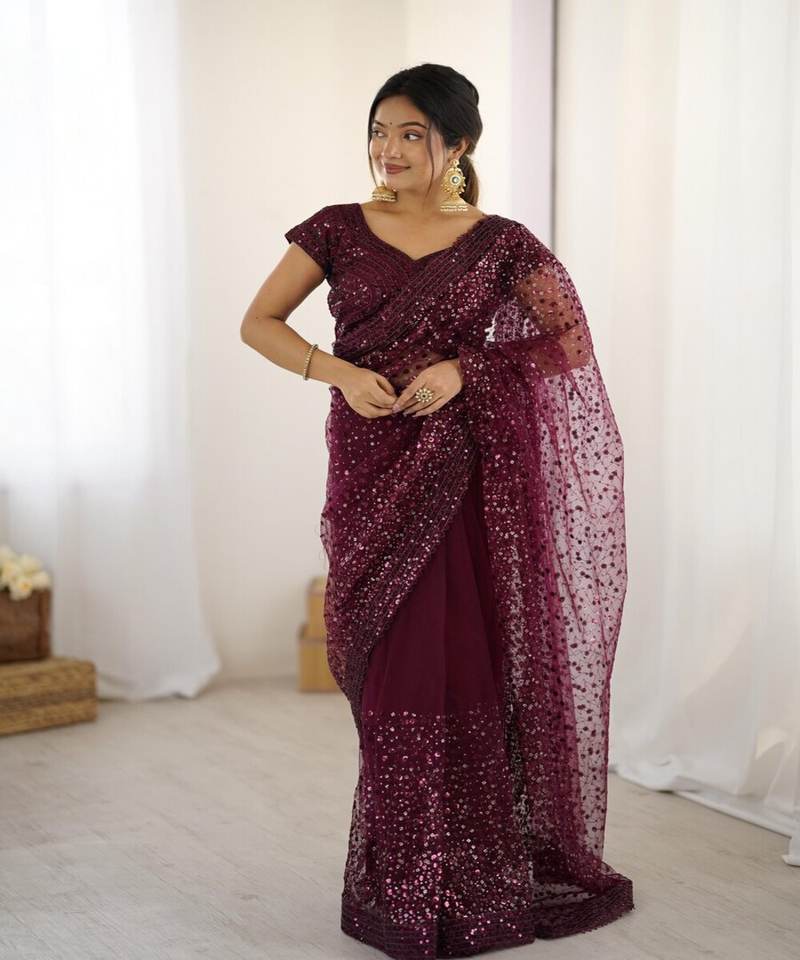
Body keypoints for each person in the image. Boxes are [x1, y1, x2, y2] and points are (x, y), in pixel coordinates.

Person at [241, 62, 634, 960]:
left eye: (411, 134)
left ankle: (474, 876)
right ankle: (404, 875)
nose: (388, 149)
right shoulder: (336, 229)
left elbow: (568, 341)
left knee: (459, 667)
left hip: (462, 477)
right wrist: (338, 372)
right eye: (380, 131)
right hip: (369, 468)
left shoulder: (500, 244)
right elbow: (258, 322)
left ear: (457, 145)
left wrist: (467, 369)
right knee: (386, 672)